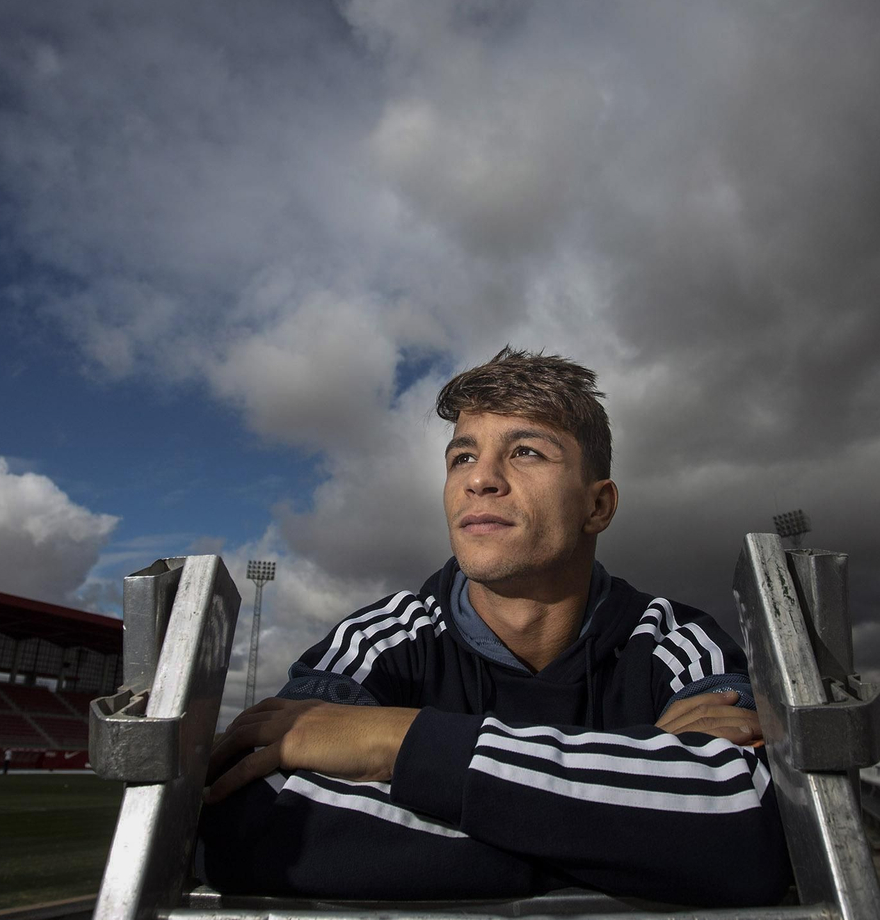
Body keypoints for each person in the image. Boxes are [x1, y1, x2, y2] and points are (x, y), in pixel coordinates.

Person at [199, 348, 790, 906]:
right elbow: (258, 814)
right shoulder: (383, 637)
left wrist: (396, 741)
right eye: (462, 456)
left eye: (526, 451)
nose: (480, 479)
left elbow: (753, 814)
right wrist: (630, 841)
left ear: (598, 506)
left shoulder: (672, 639)